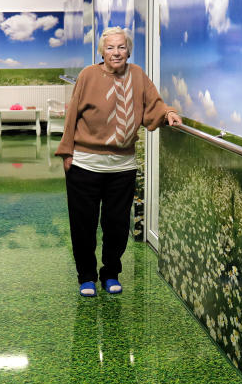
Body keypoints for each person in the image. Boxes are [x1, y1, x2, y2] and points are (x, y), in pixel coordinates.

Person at [56, 26, 182, 297]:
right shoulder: (88, 75)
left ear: (129, 50)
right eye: (110, 47)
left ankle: (110, 273)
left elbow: (154, 104)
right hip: (85, 164)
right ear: (102, 51)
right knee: (84, 225)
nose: (116, 52)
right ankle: (86, 276)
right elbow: (72, 116)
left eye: (121, 47)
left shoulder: (137, 75)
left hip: (122, 167)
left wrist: (168, 112)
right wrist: (67, 152)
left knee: (116, 226)